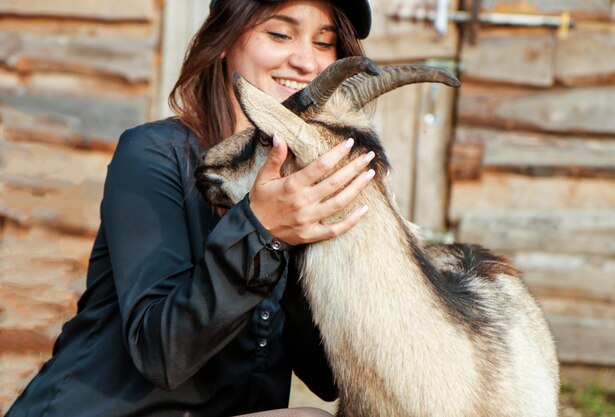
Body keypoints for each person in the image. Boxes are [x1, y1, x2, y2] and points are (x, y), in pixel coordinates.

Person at [6, 1, 373, 416]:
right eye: (279, 34)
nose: (306, 60)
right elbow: (163, 355)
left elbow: (326, 376)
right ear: (223, 40)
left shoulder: (308, 190)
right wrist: (262, 233)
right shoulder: (152, 155)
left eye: (324, 43)